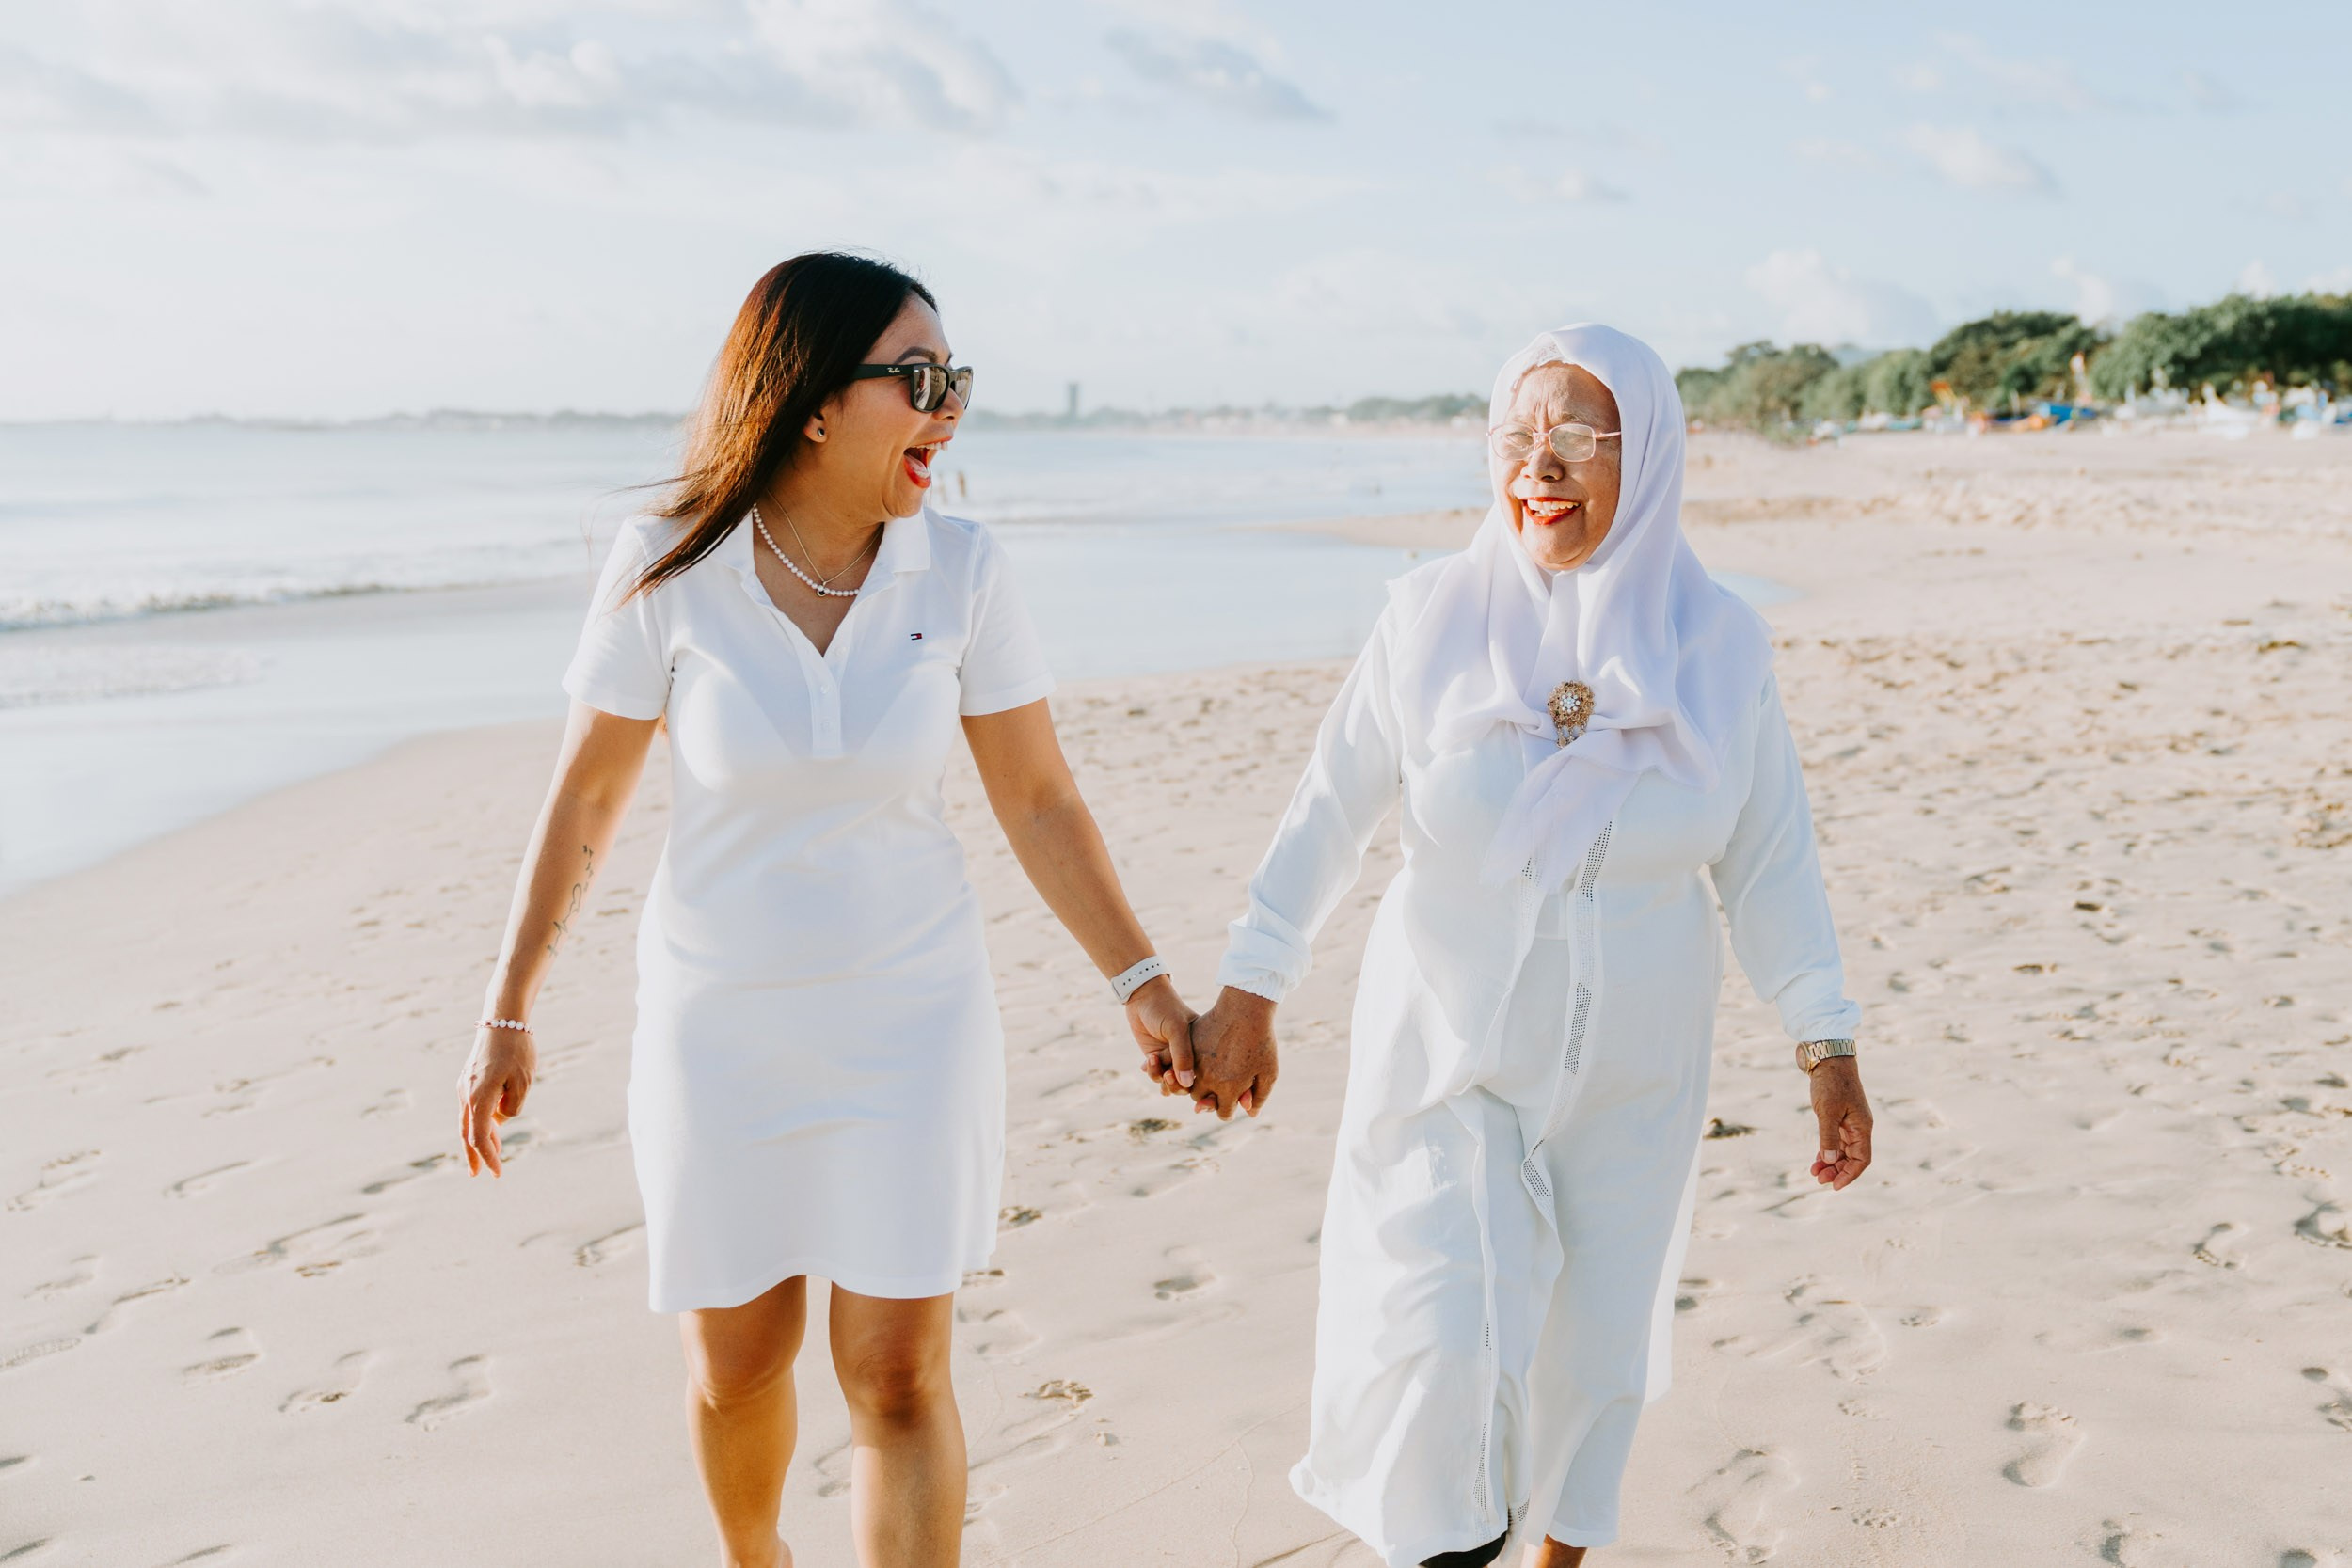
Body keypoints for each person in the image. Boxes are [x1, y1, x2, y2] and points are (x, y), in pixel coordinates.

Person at [456, 252, 1197, 1568]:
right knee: (738, 1365)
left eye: (955, 380)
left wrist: (1138, 977)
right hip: (719, 1021)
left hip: (912, 1018)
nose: (947, 407)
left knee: (898, 1375)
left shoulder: (963, 570)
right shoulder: (667, 565)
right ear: (808, 399)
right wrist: (508, 1007)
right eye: (916, 379)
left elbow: (1038, 803)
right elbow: (583, 808)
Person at [1165, 324, 1875, 1566]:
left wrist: (1826, 1046)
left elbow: (1769, 859)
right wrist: (1253, 988)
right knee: (1446, 1332)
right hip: (1449, 1057)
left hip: (1638, 1068)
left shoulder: (1716, 651)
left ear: (1646, 457)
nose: (1539, 465)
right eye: (1517, 434)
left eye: (1577, 436)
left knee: (1595, 1354)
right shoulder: (1429, 619)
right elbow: (1327, 810)